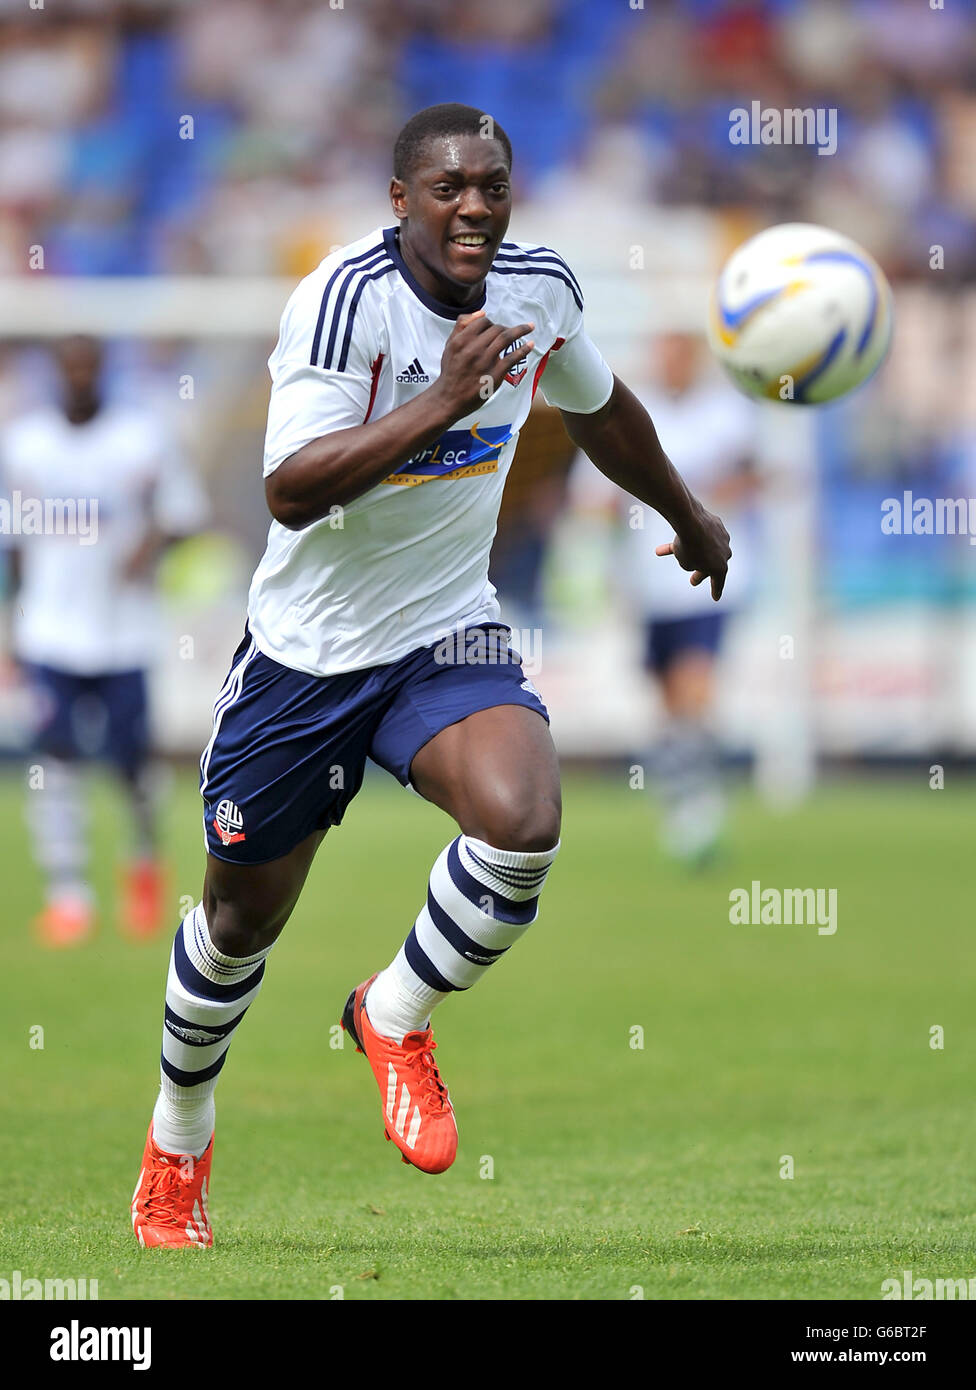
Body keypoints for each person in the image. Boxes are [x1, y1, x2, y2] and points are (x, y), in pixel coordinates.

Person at [130, 104, 730, 1249]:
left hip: (445, 630)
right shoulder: (342, 300)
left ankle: (391, 1013)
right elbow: (292, 488)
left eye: (492, 187)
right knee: (235, 924)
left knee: (524, 819)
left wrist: (687, 512)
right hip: (305, 660)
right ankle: (179, 1135)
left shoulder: (540, 287)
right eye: (449, 188)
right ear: (400, 199)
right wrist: (445, 400)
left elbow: (597, 407)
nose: (474, 209)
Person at [0, 336, 209, 946]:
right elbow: (13, 540)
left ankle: (144, 868)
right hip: (50, 631)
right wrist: (13, 623)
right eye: (72, 364)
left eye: (91, 365)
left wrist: (147, 548)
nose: (81, 375)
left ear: (104, 372)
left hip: (124, 633)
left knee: (131, 764)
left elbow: (182, 514)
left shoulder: (141, 438)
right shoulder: (26, 443)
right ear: (57, 372)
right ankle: (68, 893)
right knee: (56, 757)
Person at [571, 332, 758, 863]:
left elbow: (751, 478)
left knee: (694, 689)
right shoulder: (631, 415)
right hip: (648, 585)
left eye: (679, 352)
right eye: (663, 352)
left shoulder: (726, 413)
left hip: (707, 582)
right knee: (669, 705)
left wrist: (704, 505)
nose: (670, 362)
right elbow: (592, 499)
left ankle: (701, 810)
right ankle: (686, 804)